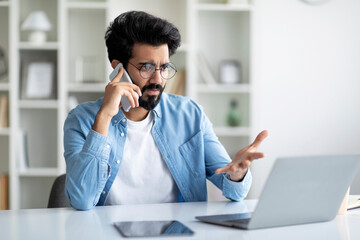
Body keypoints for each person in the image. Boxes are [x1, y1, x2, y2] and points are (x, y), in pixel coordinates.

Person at [63, 11, 268, 210]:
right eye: (147, 67)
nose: (158, 79)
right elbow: (82, 200)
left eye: (164, 67)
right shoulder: (81, 120)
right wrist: (106, 115)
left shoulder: (190, 115)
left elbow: (234, 190)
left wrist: (237, 174)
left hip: (179, 232)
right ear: (118, 68)